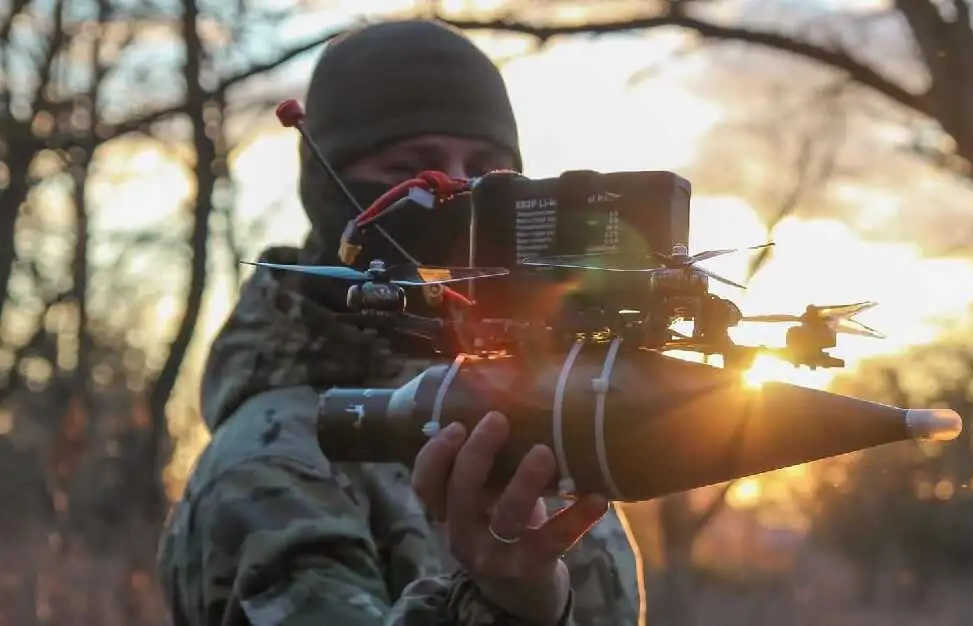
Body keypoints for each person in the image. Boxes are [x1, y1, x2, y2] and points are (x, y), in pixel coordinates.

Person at [156, 19, 646, 626]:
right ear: (329, 184)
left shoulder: (528, 406)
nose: (455, 193)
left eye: (488, 172)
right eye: (410, 170)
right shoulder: (273, 462)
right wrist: (507, 609)